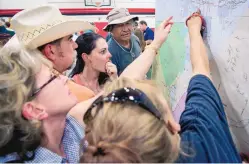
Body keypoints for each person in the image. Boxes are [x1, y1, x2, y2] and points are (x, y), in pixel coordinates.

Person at [0, 16, 174, 163]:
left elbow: (124, 84)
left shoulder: (70, 124)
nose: (63, 79)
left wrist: (155, 44)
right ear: (35, 110)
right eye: (53, 77)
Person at [79, 11, 242, 163]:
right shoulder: (198, 144)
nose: (126, 28)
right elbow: (201, 71)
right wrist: (193, 28)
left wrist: (155, 44)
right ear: (172, 126)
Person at [5, 5, 96, 102]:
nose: (75, 45)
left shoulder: (18, 92)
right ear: (51, 51)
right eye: (70, 39)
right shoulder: (80, 96)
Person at [104, 8, 142, 75]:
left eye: (128, 23)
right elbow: (112, 81)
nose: (125, 29)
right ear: (111, 30)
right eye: (119, 25)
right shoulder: (109, 51)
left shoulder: (135, 39)